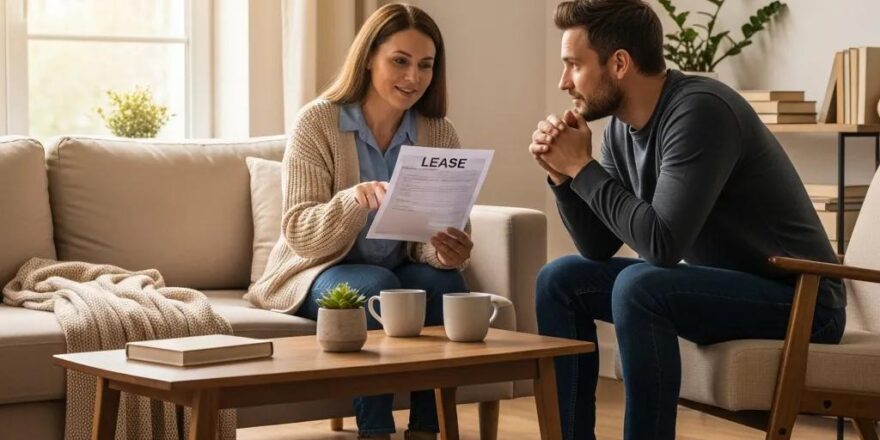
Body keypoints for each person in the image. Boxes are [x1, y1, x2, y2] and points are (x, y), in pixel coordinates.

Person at [528, 1, 846, 439]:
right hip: (723, 285)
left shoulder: (700, 111)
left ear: (619, 63)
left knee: (641, 287)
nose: (564, 82)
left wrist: (583, 169)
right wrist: (563, 177)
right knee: (560, 279)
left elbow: (661, 246)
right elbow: (598, 246)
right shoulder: (620, 129)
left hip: (803, 301)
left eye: (573, 66)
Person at [248, 4, 471, 440]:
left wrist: (443, 249)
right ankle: (376, 431)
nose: (413, 78)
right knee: (374, 286)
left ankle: (428, 428)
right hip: (319, 270)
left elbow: (428, 235)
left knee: (447, 286)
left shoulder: (437, 132)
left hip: (396, 265)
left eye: (425, 66)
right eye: (400, 61)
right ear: (369, 56)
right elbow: (299, 231)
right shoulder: (318, 121)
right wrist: (352, 200)